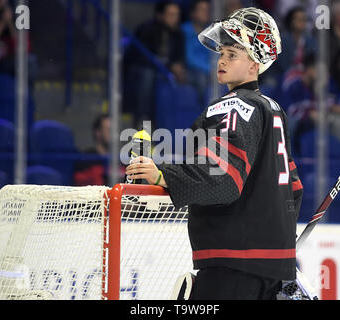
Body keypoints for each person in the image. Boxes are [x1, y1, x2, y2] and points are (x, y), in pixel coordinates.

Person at [126, 7, 303, 300]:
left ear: (255, 64)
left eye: (233, 54)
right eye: (222, 52)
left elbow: (223, 177)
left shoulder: (231, 106)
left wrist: (161, 175)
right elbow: (293, 189)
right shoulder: (273, 109)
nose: (221, 59)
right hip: (273, 270)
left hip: (232, 266)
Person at [123, 1, 185, 127]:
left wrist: (177, 67)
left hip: (164, 71)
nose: (175, 19)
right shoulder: (146, 29)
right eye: (171, 15)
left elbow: (178, 58)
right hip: (142, 69)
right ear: (160, 15)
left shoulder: (178, 34)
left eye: (176, 15)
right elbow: (140, 56)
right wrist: (168, 64)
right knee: (148, 75)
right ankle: (142, 118)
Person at [181, 0, 211, 104]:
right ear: (192, 13)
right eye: (202, 10)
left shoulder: (210, 31)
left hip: (209, 70)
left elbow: (214, 54)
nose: (206, 12)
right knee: (202, 79)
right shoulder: (184, 30)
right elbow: (189, 58)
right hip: (189, 70)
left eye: (207, 10)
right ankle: (205, 114)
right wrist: (211, 70)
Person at [74, 114, 111, 186]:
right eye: (109, 130)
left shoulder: (119, 160)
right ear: (98, 133)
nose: (114, 134)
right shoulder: (86, 159)